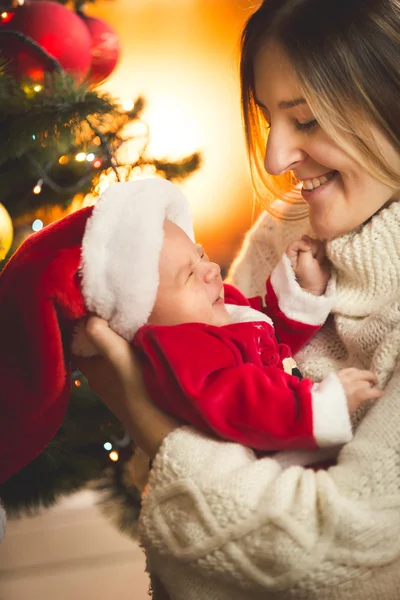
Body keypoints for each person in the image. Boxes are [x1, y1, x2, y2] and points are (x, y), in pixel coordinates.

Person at [76, 0, 400, 598]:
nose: (276, 160)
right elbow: (238, 356)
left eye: (305, 120)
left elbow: (338, 555)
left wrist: (146, 417)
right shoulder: (286, 228)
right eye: (269, 117)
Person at [136, 219, 381, 452]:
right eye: (188, 274)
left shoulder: (223, 308)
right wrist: (317, 406)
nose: (211, 269)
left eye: (201, 255)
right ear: (142, 316)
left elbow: (264, 339)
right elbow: (236, 402)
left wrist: (304, 289)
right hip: (273, 458)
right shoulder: (179, 352)